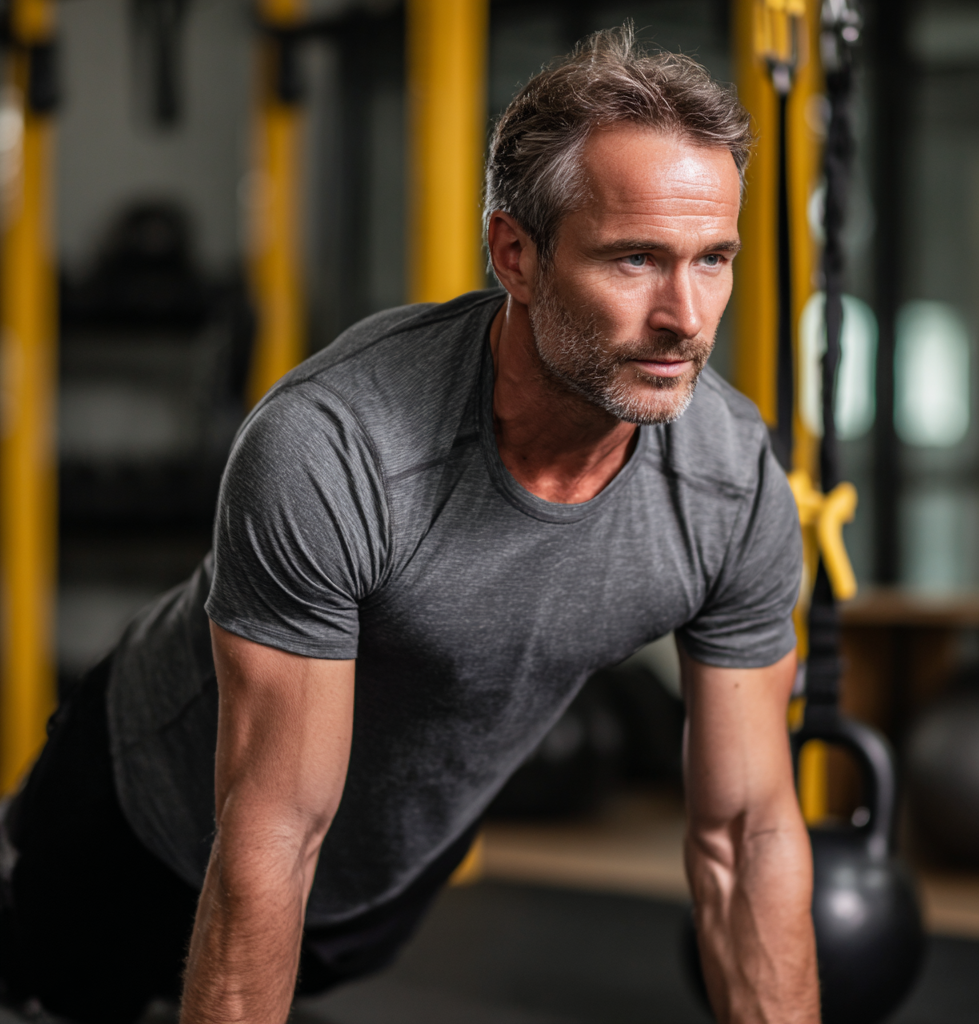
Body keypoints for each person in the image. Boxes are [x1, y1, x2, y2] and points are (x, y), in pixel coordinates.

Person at [0, 25, 815, 1024]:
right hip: (141, 830)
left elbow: (745, 832)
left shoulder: (729, 486)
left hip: (382, 881)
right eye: (636, 259)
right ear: (513, 253)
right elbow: (267, 838)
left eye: (713, 258)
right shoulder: (337, 449)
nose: (686, 317)